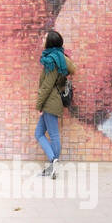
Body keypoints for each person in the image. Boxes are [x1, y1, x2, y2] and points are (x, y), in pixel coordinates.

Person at [35, 30, 73, 178]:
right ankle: (53, 165)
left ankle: (53, 161)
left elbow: (47, 85)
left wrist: (39, 105)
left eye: (45, 37)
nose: (43, 39)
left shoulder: (51, 60)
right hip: (52, 102)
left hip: (50, 102)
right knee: (39, 133)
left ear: (50, 41)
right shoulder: (58, 57)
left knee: (53, 134)